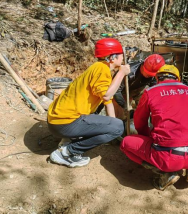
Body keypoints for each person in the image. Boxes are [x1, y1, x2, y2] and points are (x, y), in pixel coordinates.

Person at [120, 65, 188, 190]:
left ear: (157, 78)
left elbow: (140, 122)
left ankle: (165, 173)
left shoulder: (150, 92)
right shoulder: (187, 90)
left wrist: (147, 139)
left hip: (169, 158)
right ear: (177, 78)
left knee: (125, 144)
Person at [47, 38, 130, 168]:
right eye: (121, 55)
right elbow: (107, 94)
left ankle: (69, 139)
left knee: (115, 126)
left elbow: (107, 101)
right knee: (119, 126)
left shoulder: (98, 68)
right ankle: (67, 152)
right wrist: (121, 73)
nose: (123, 58)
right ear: (112, 57)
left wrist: (112, 127)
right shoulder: (102, 70)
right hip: (65, 123)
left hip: (57, 121)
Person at [95, 54, 166, 118]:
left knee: (144, 111)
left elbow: (153, 88)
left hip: (138, 89)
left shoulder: (154, 74)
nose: (148, 76)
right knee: (118, 117)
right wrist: (126, 106)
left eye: (151, 75)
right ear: (143, 66)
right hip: (120, 93)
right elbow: (116, 92)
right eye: (147, 73)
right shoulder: (129, 72)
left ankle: (140, 118)